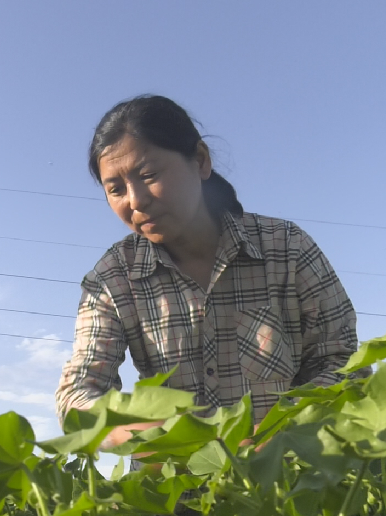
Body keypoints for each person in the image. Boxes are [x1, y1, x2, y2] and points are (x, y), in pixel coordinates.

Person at [55, 95, 362, 449]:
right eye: (116, 189)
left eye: (149, 175)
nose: (135, 200)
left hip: (284, 485)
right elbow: (78, 396)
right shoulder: (113, 278)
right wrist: (167, 439)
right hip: (170, 494)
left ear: (200, 161)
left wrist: (279, 431)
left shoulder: (287, 248)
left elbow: (342, 363)